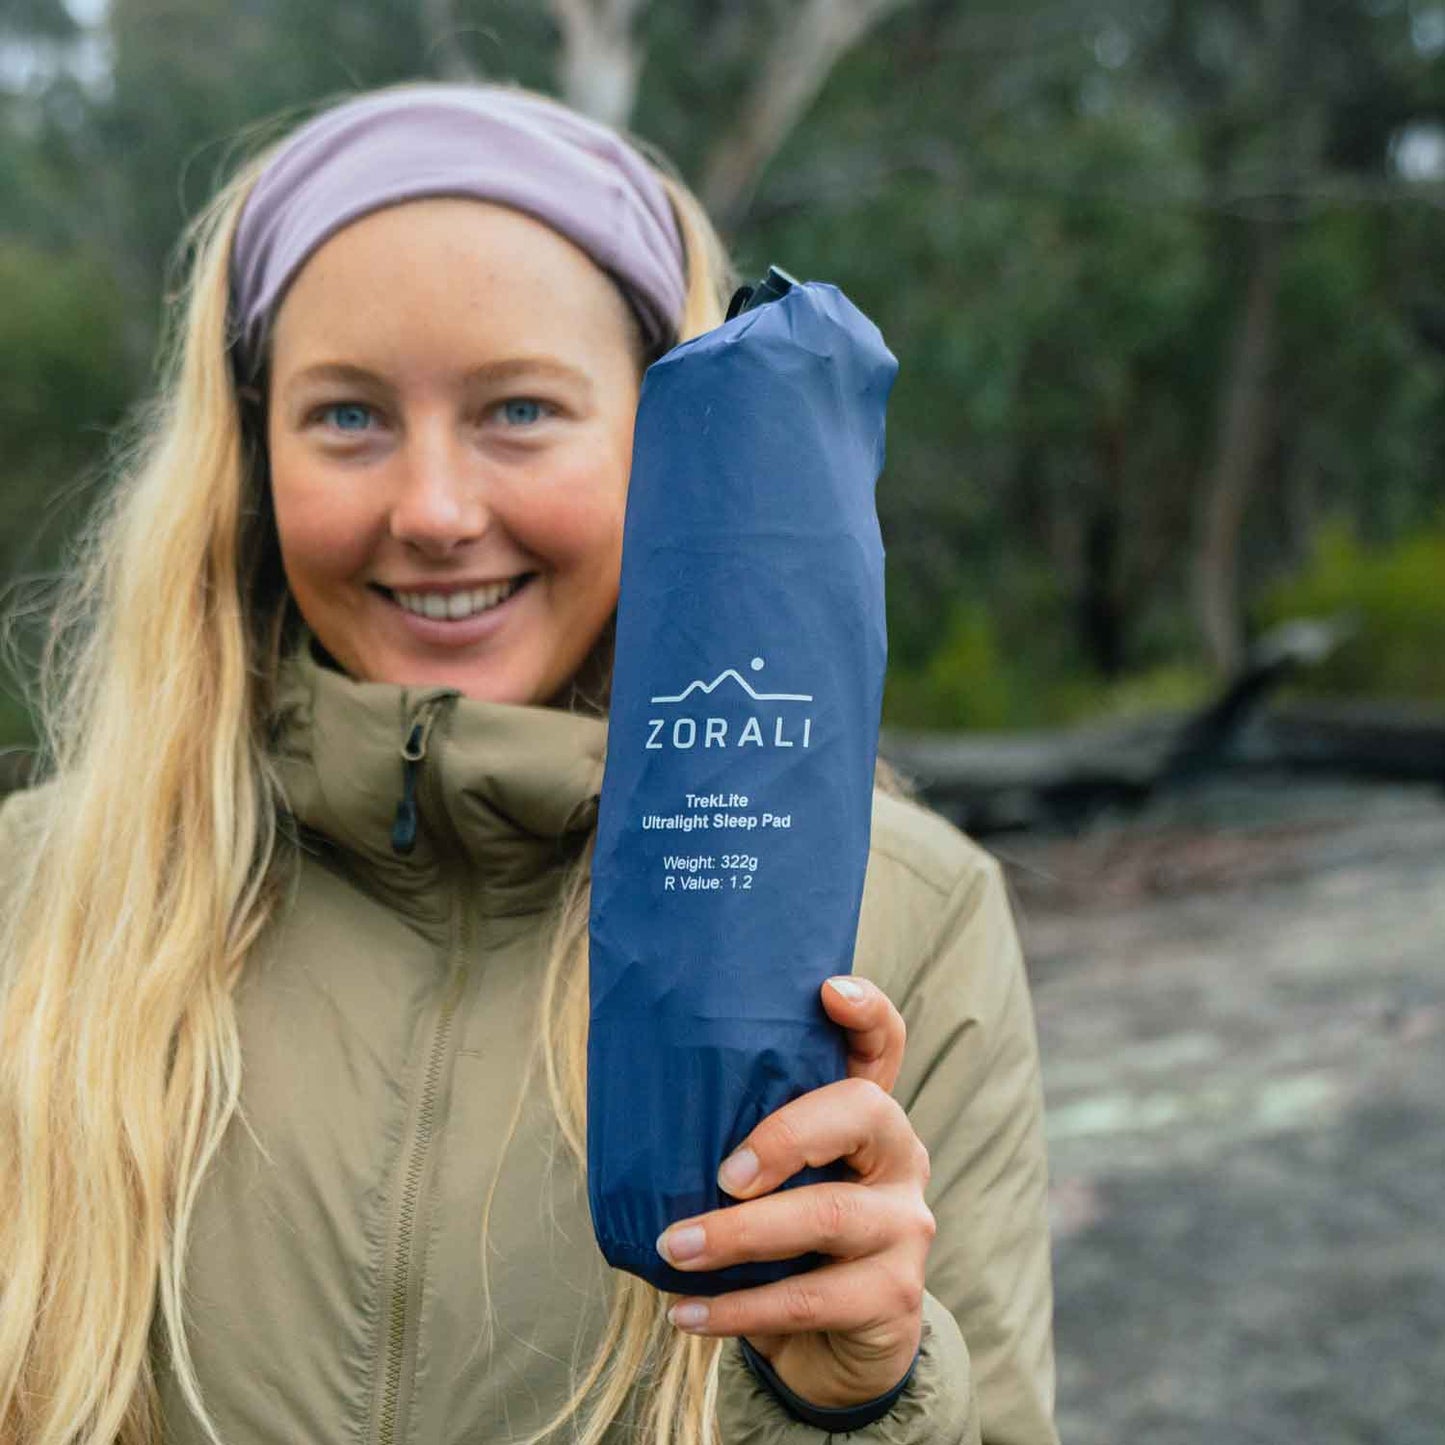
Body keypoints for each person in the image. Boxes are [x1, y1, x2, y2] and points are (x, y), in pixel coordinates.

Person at [0, 80, 1060, 1445]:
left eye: (518, 411)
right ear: (250, 457)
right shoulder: (38, 896)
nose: (435, 509)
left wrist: (862, 1395)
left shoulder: (903, 911)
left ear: (671, 441)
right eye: (345, 416)